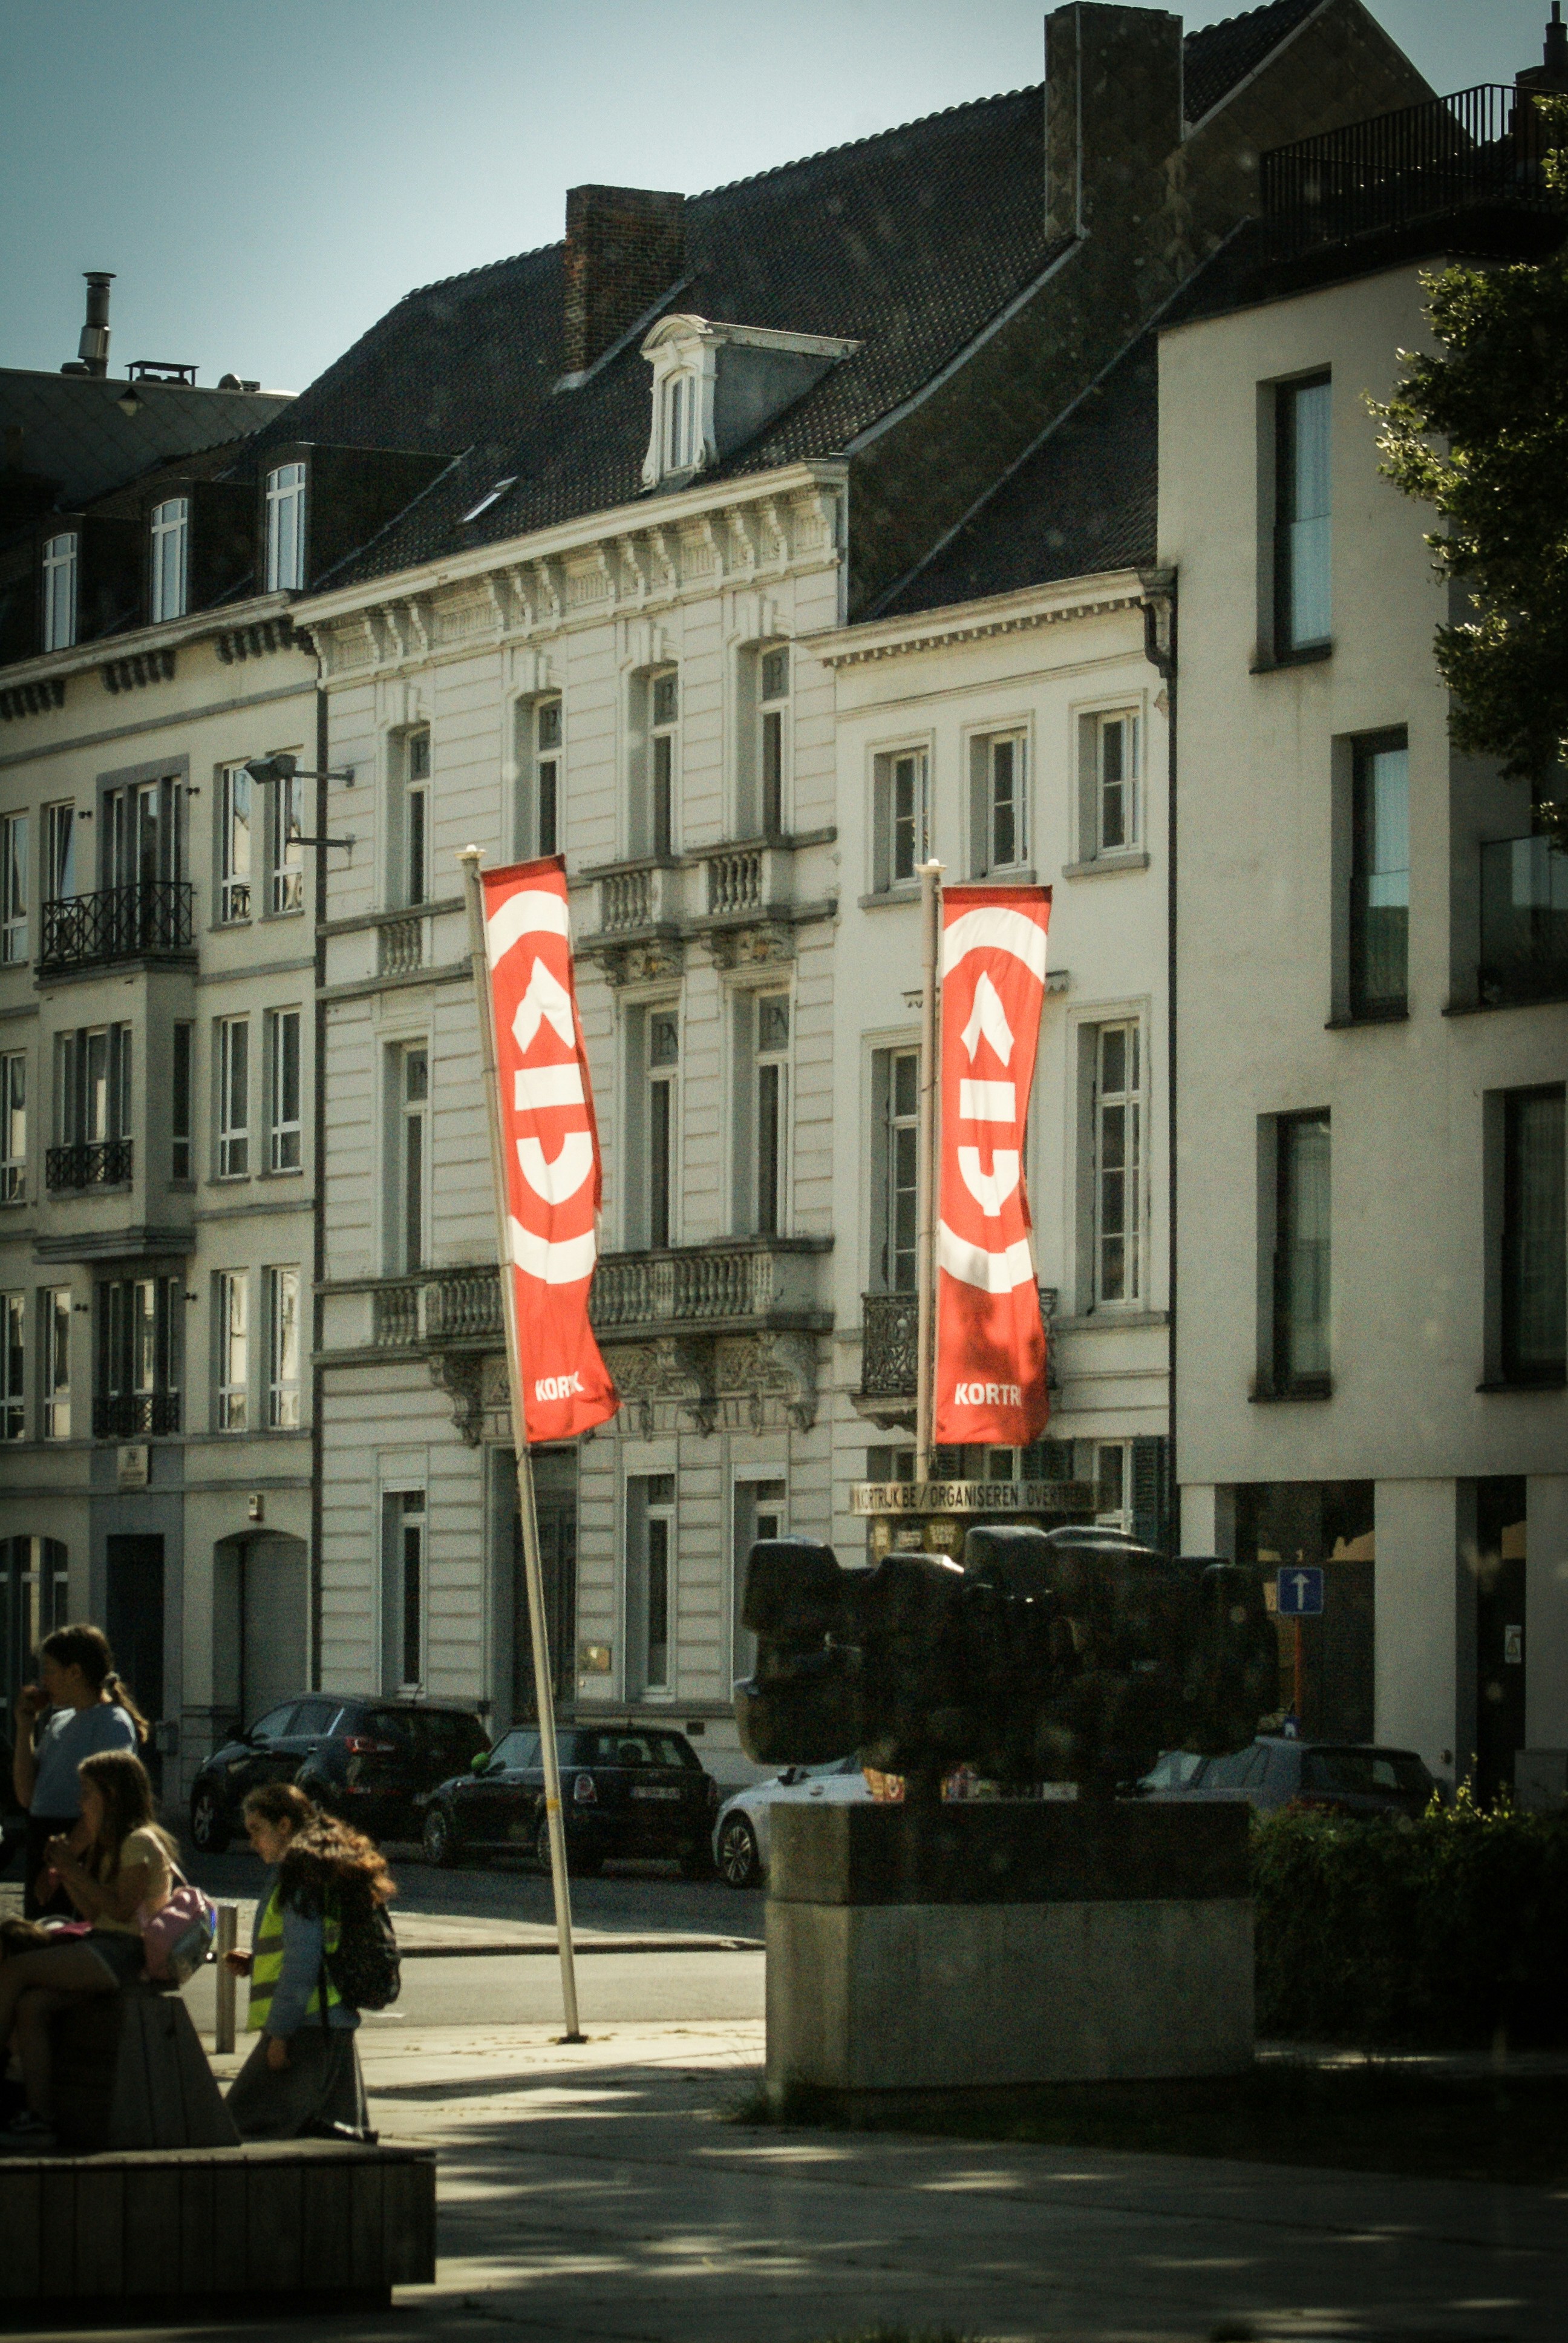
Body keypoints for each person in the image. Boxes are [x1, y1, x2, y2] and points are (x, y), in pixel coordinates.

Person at [0, 1748, 172, 2145]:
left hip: (125, 1953)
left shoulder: (139, 1842)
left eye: (88, 1793)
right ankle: (40, 2116)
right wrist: (65, 1873)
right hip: (105, 1943)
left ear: (111, 1795)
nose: (81, 1803)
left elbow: (123, 1912)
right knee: (32, 2006)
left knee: (13, 1970)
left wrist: (74, 1870)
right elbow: (96, 1914)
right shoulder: (111, 1845)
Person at [224, 1783, 391, 2141]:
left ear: (284, 1826)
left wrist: (280, 2035)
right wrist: (259, 1963)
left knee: (241, 2127)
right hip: (329, 2019)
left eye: (257, 1830)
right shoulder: (318, 1869)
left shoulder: (300, 1877)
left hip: (307, 2025)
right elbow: (313, 1946)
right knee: (333, 2137)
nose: (252, 1842)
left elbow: (303, 1962)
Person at [12, 1624, 145, 1919]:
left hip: (79, 1848)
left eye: (49, 1669)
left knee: (68, 1934)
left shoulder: (112, 1723)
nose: (44, 1680)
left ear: (75, 1672)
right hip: (44, 1842)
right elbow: (27, 1796)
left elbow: (102, 1803)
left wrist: (59, 1867)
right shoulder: (59, 1721)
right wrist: (24, 1730)